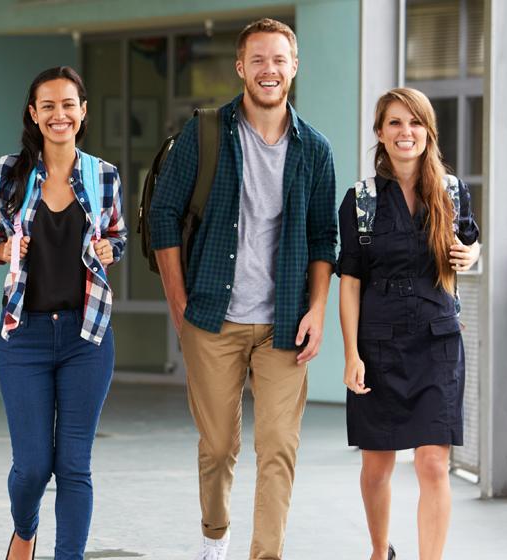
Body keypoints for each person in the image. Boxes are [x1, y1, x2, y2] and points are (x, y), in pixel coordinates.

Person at [148, 18, 338, 560]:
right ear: (240, 67)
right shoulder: (205, 131)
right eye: (258, 60)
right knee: (218, 447)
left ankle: (265, 554)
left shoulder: (315, 149)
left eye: (279, 59)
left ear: (294, 66)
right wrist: (179, 302)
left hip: (285, 322)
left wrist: (317, 310)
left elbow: (326, 236)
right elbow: (162, 214)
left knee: (277, 447)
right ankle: (215, 533)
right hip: (211, 317)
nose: (269, 70)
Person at [0, 66, 126, 560]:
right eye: (48, 106)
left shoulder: (104, 175)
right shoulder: (9, 172)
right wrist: (4, 251)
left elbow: (118, 235)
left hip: (87, 335)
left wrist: (111, 251)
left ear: (82, 112)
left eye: (68, 105)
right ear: (34, 115)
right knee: (34, 466)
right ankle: (25, 527)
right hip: (25, 335)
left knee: (75, 465)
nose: (59, 114)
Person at [338, 87, 480, 560]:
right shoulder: (359, 200)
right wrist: (351, 354)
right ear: (380, 133)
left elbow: (470, 244)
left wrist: (472, 253)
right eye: (395, 123)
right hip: (377, 346)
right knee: (377, 465)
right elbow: (351, 281)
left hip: (437, 341)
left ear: (428, 132)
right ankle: (381, 551)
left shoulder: (452, 191)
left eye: (415, 123)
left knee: (433, 464)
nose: (406, 132)